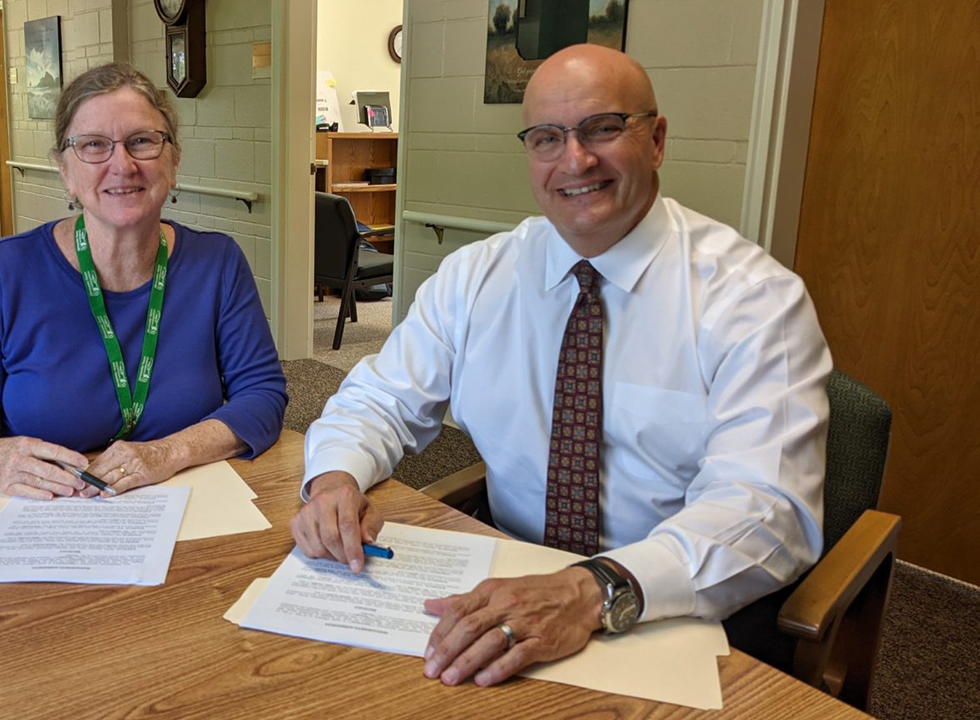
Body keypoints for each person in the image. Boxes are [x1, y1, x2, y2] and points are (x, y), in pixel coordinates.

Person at [291, 44, 831, 687]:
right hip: (507, 581)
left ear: (656, 141)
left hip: (677, 606)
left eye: (603, 128)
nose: (575, 160)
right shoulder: (476, 277)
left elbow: (768, 509)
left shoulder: (753, 299)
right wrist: (334, 480)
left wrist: (588, 590)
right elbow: (380, 401)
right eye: (548, 138)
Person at [0, 62, 287, 499]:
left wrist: (169, 453)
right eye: (94, 145)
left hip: (185, 499)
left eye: (142, 141)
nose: (122, 164)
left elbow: (262, 395)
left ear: (173, 161)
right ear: (65, 171)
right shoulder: (5, 270)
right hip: (50, 509)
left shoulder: (218, 262)